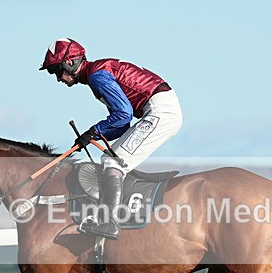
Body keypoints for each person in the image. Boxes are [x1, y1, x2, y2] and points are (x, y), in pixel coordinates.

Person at [40, 38, 183, 240]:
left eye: (56, 71)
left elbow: (123, 115)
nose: (58, 79)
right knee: (110, 156)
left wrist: (94, 131)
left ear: (70, 62)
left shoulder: (98, 76)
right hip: (159, 109)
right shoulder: (96, 74)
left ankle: (110, 223)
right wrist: (90, 137)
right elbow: (121, 125)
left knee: (111, 161)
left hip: (160, 111)